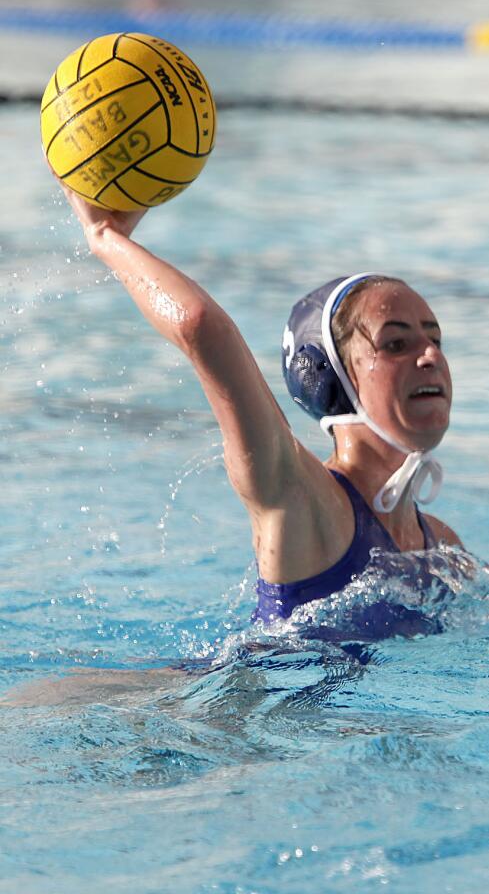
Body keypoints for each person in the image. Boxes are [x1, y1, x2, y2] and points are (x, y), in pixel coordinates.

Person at [57, 189, 463, 638]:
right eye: (395, 344)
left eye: (435, 340)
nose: (429, 356)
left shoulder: (442, 549)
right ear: (328, 374)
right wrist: (104, 235)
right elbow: (198, 325)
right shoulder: (298, 496)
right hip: (243, 704)